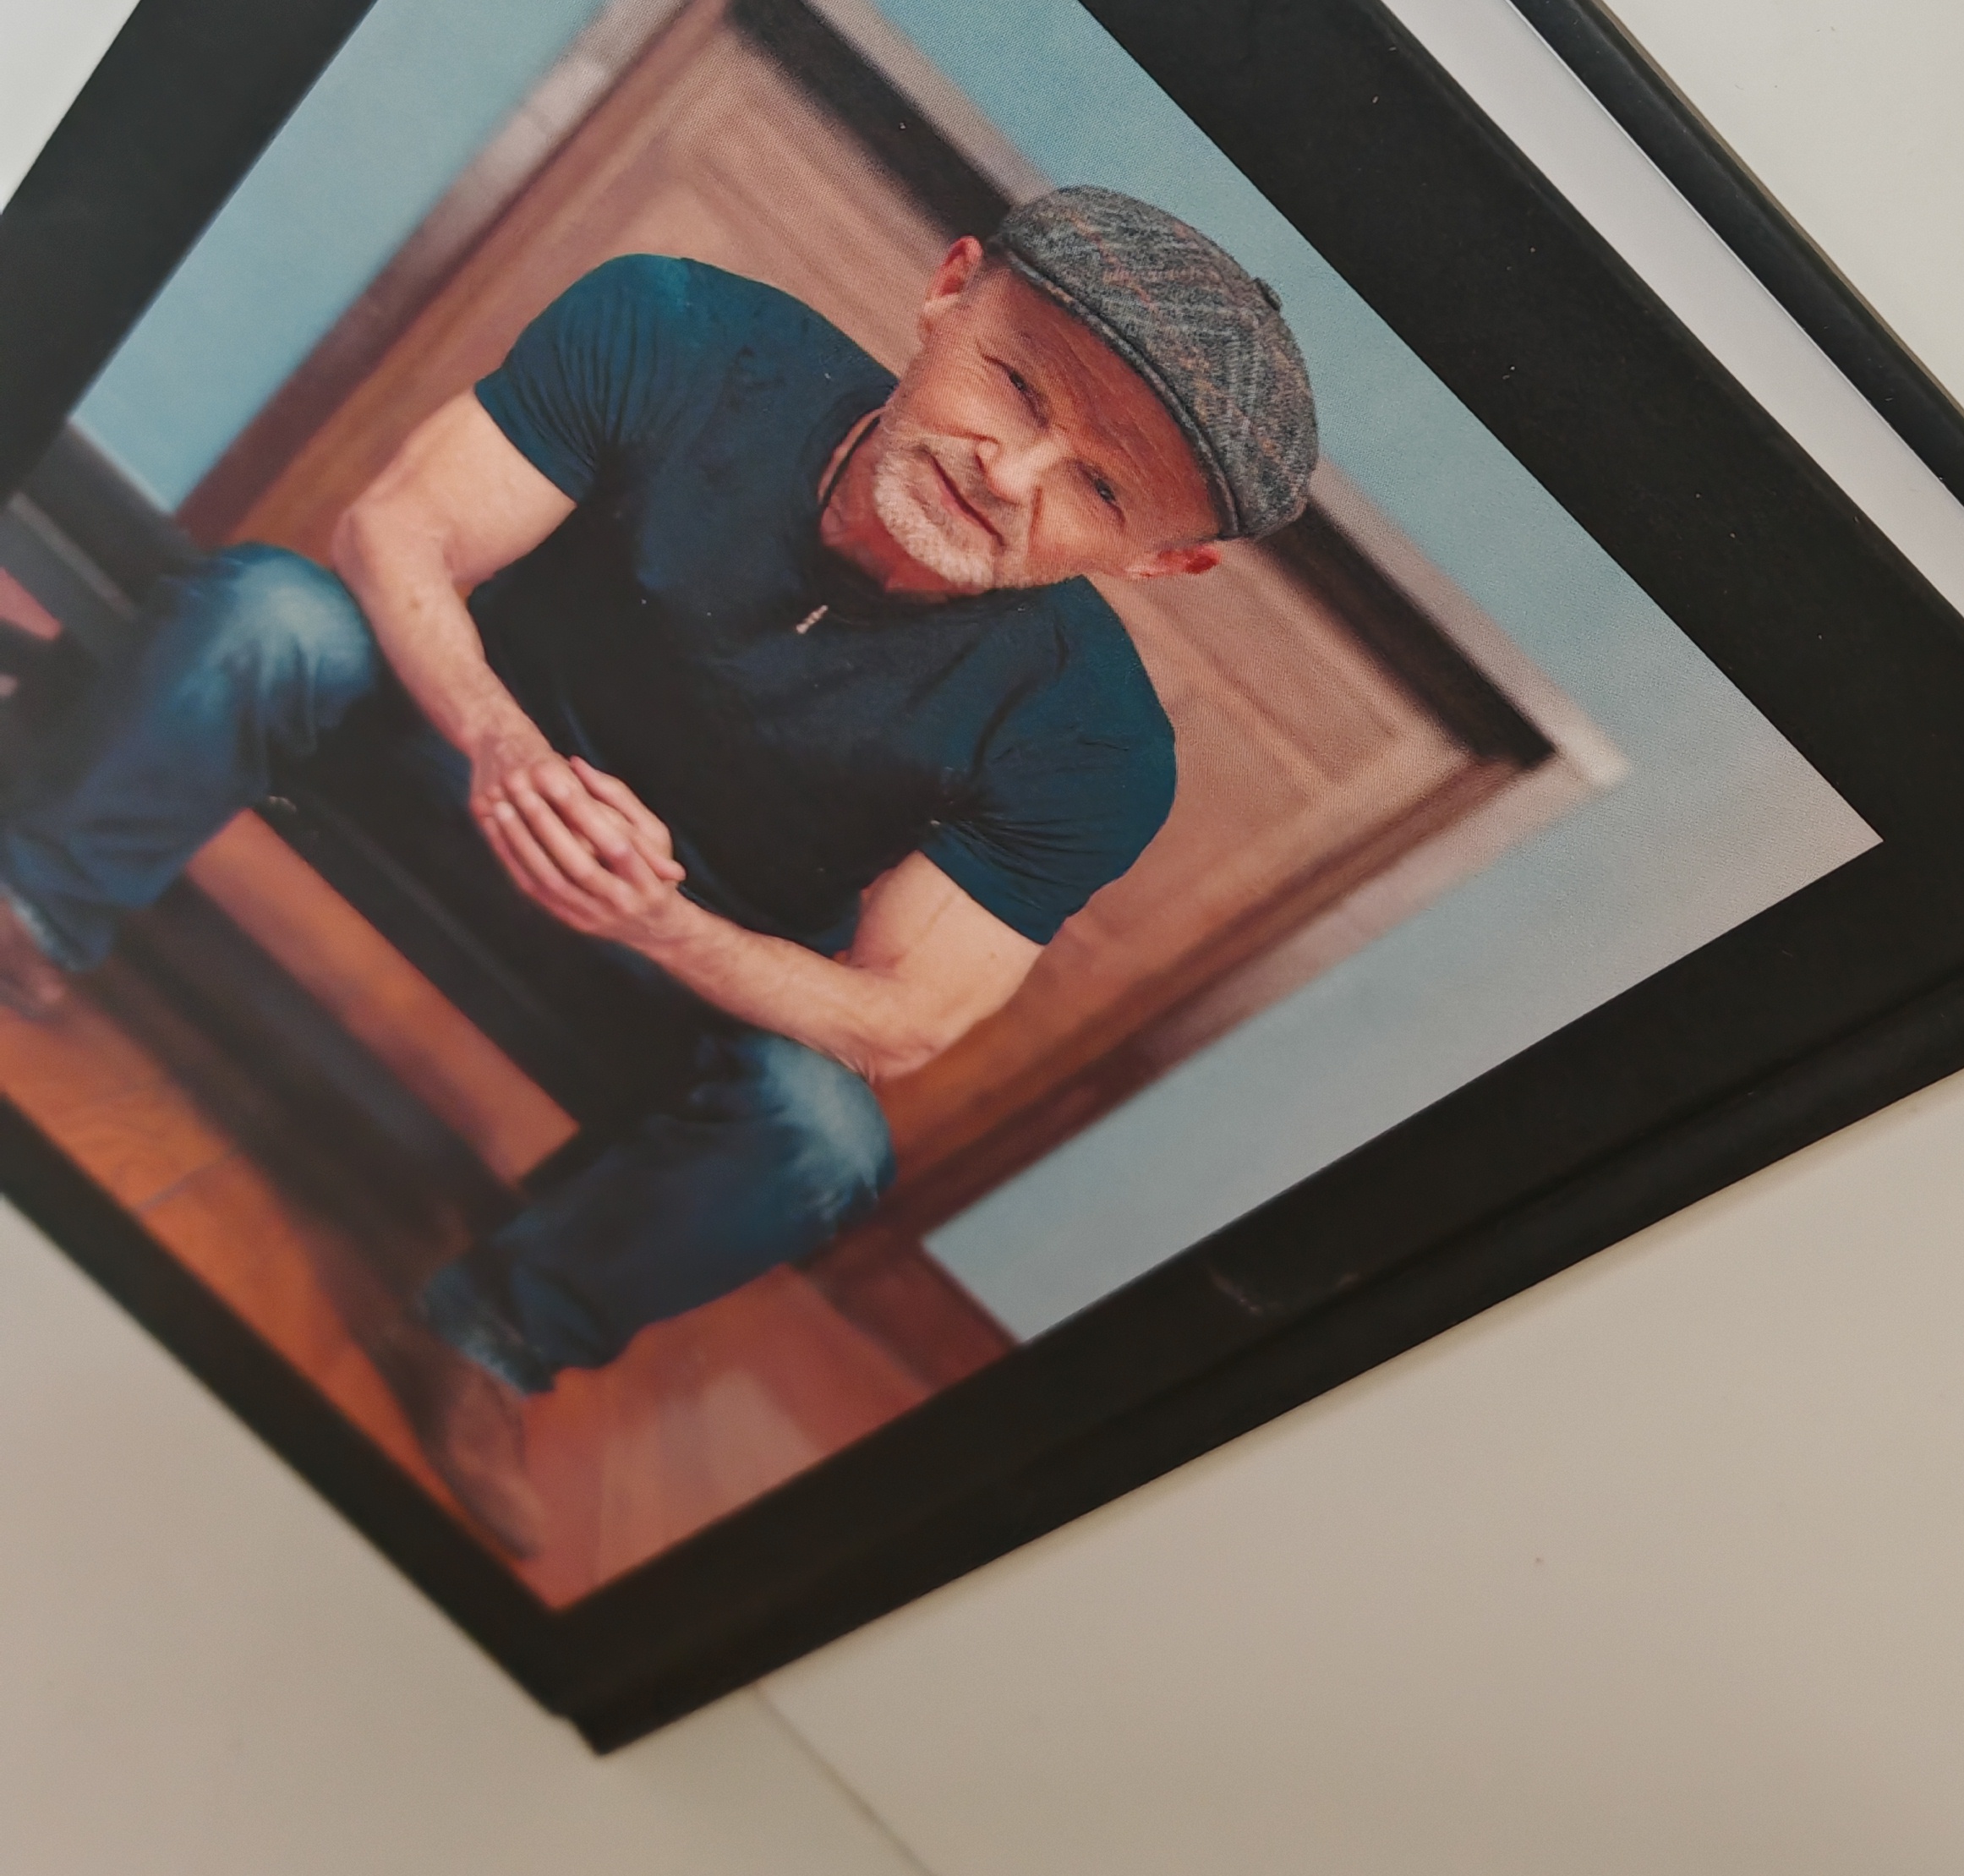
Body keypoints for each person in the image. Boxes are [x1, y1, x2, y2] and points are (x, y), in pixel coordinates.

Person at [0, 188, 1318, 1556]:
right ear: (949, 289)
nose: (1011, 475)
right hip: (441, 747)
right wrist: (502, 745)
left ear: (1166, 561)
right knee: (274, 612)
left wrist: (662, 925)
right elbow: (397, 532)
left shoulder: (1097, 740)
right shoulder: (685, 327)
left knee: (826, 1138)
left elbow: (903, 1019)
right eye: (1016, 384)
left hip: (670, 955)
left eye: (1099, 489)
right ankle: (32, 911)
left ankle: (488, 1338)